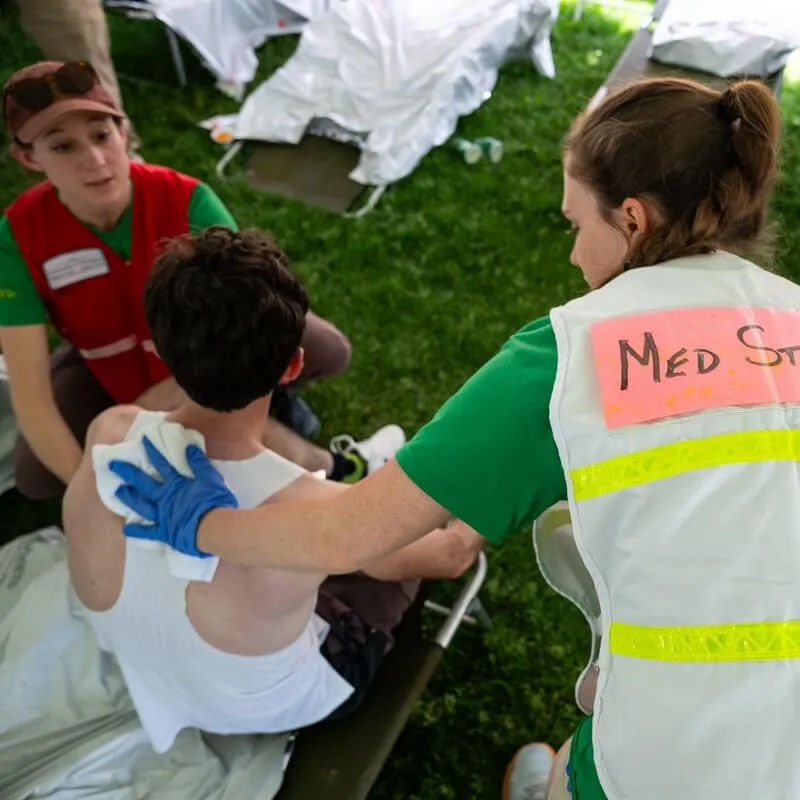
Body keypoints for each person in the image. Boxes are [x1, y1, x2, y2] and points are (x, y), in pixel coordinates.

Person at [109, 75, 799, 799]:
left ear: (632, 219)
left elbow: (348, 536)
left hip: (674, 762)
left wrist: (203, 522)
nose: (572, 256)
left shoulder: (570, 363)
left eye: (576, 225)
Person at [62, 225, 484, 752]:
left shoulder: (108, 433)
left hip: (144, 666)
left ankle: (337, 470)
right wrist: (482, 500)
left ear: (166, 355)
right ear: (293, 366)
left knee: (299, 568)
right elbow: (448, 555)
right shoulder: (321, 516)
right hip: (257, 704)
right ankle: (365, 472)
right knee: (386, 568)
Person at [0, 60, 395, 501]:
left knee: (322, 349)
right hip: (102, 358)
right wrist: (91, 494)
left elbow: (251, 318)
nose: (94, 161)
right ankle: (279, 420)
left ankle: (326, 460)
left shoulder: (187, 200)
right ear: (29, 158)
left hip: (205, 352)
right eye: (63, 147)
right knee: (38, 476)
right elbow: (30, 394)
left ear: (123, 131)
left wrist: (163, 406)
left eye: (101, 135)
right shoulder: (17, 237)